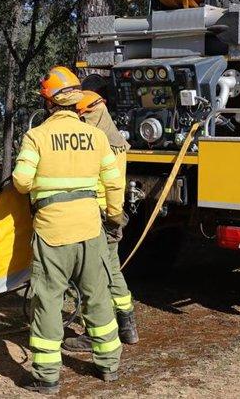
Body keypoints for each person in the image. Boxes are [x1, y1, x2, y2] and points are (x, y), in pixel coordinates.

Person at [12, 66, 125, 395]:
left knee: (47, 300)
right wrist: (113, 217)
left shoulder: (37, 136)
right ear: (77, 101)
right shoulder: (97, 136)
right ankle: (109, 366)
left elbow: (20, 182)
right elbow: (114, 182)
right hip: (91, 229)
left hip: (52, 232)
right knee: (98, 296)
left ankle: (47, 376)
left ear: (48, 103)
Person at [63, 90, 138, 353]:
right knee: (113, 269)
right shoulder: (116, 139)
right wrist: (116, 217)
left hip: (96, 216)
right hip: (112, 214)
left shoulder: (97, 142)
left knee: (90, 276)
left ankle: (92, 332)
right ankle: (127, 325)